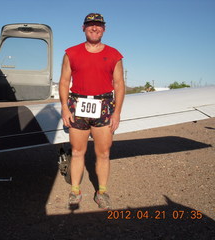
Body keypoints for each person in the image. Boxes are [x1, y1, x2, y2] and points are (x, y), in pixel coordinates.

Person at [59, 13, 125, 209]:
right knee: (78, 151)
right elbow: (64, 82)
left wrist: (117, 112)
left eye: (98, 25)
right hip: (77, 105)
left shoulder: (114, 55)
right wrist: (64, 107)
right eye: (90, 25)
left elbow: (119, 85)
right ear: (83, 28)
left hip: (104, 106)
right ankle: (75, 191)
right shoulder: (71, 53)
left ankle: (102, 192)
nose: (94, 28)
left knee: (103, 153)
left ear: (104, 29)